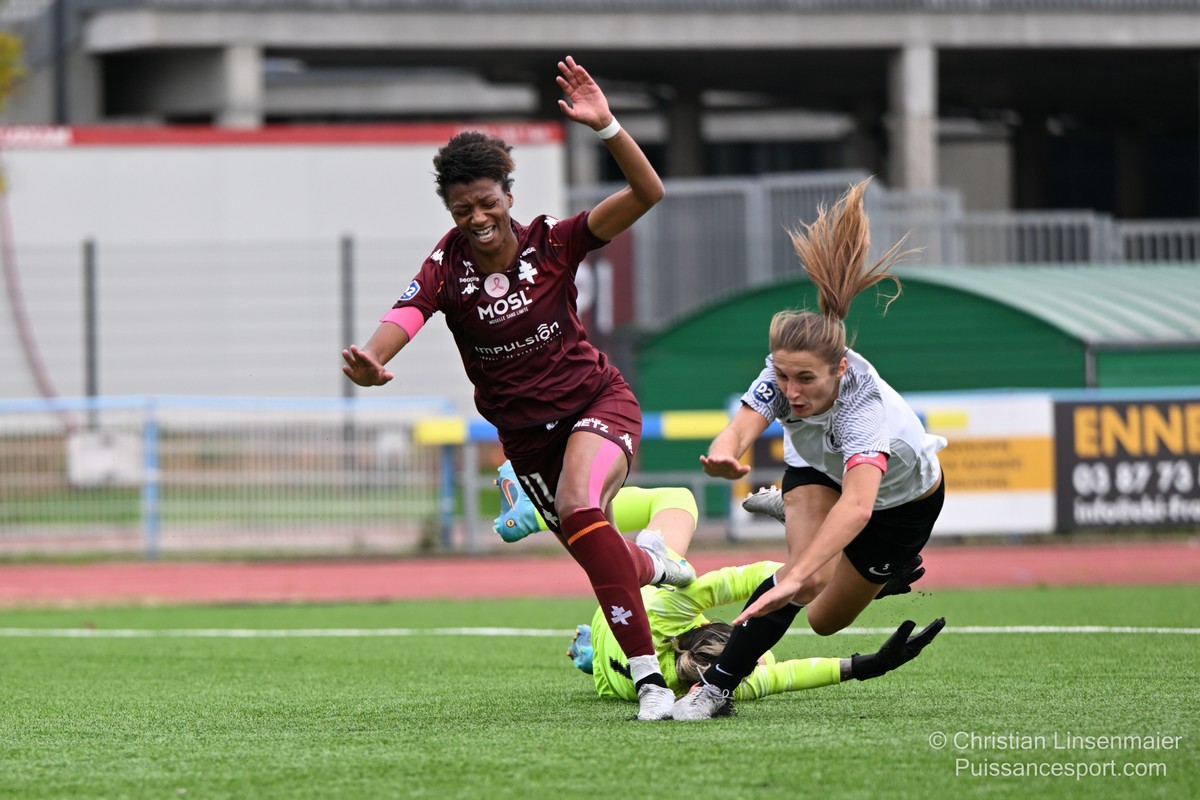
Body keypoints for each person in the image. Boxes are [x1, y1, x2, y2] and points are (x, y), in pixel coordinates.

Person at [341, 56, 685, 721]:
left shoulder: (554, 244)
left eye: (487, 203)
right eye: (462, 209)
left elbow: (648, 193)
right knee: (604, 555)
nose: (477, 218)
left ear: (508, 195)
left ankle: (650, 684)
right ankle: (655, 563)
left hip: (596, 405)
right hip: (528, 444)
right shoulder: (445, 268)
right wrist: (371, 361)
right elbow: (403, 315)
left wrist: (607, 126)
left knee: (580, 509)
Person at [672, 178, 949, 721]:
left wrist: (797, 577)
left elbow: (859, 506)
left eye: (805, 380)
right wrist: (725, 453)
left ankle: (872, 570)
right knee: (807, 577)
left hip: (899, 504)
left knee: (822, 618)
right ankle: (715, 690)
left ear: (840, 369)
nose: (791, 391)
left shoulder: (864, 411)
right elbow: (739, 429)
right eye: (783, 376)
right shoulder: (781, 375)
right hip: (819, 471)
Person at [495, 462, 942, 710]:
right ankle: (593, 654)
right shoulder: (709, 682)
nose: (759, 660)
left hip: (630, 607)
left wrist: (846, 574)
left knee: (676, 501)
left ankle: (536, 511)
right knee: (609, 617)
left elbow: (753, 579)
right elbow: (787, 676)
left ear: (708, 628)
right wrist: (868, 664)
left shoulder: (667, 615)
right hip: (608, 675)